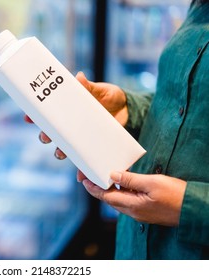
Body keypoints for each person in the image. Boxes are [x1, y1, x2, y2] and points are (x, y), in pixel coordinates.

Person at [24, 0, 209, 259]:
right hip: (131, 247)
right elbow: (186, 103)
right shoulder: (199, 7)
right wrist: (127, 107)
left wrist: (187, 206)